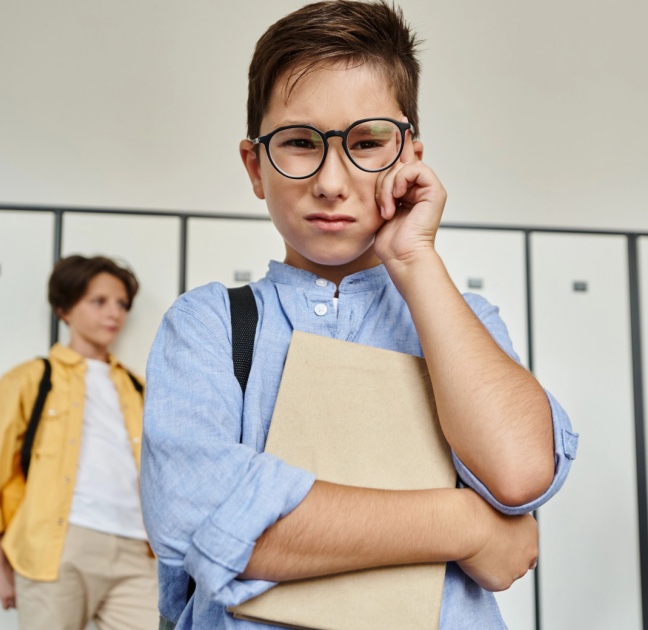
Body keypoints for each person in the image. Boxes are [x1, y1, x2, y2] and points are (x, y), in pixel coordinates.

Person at [140, 1, 578, 627]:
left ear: (410, 158)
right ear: (255, 166)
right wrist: (463, 524)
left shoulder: (465, 320)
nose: (331, 181)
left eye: (367, 141)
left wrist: (416, 261)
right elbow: (198, 516)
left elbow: (519, 475)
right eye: (298, 143)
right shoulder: (209, 322)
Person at [0, 255, 158, 630]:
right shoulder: (28, 380)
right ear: (65, 309)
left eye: (121, 304)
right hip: (59, 546)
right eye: (98, 301)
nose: (114, 313)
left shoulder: (139, 387)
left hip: (136, 547)